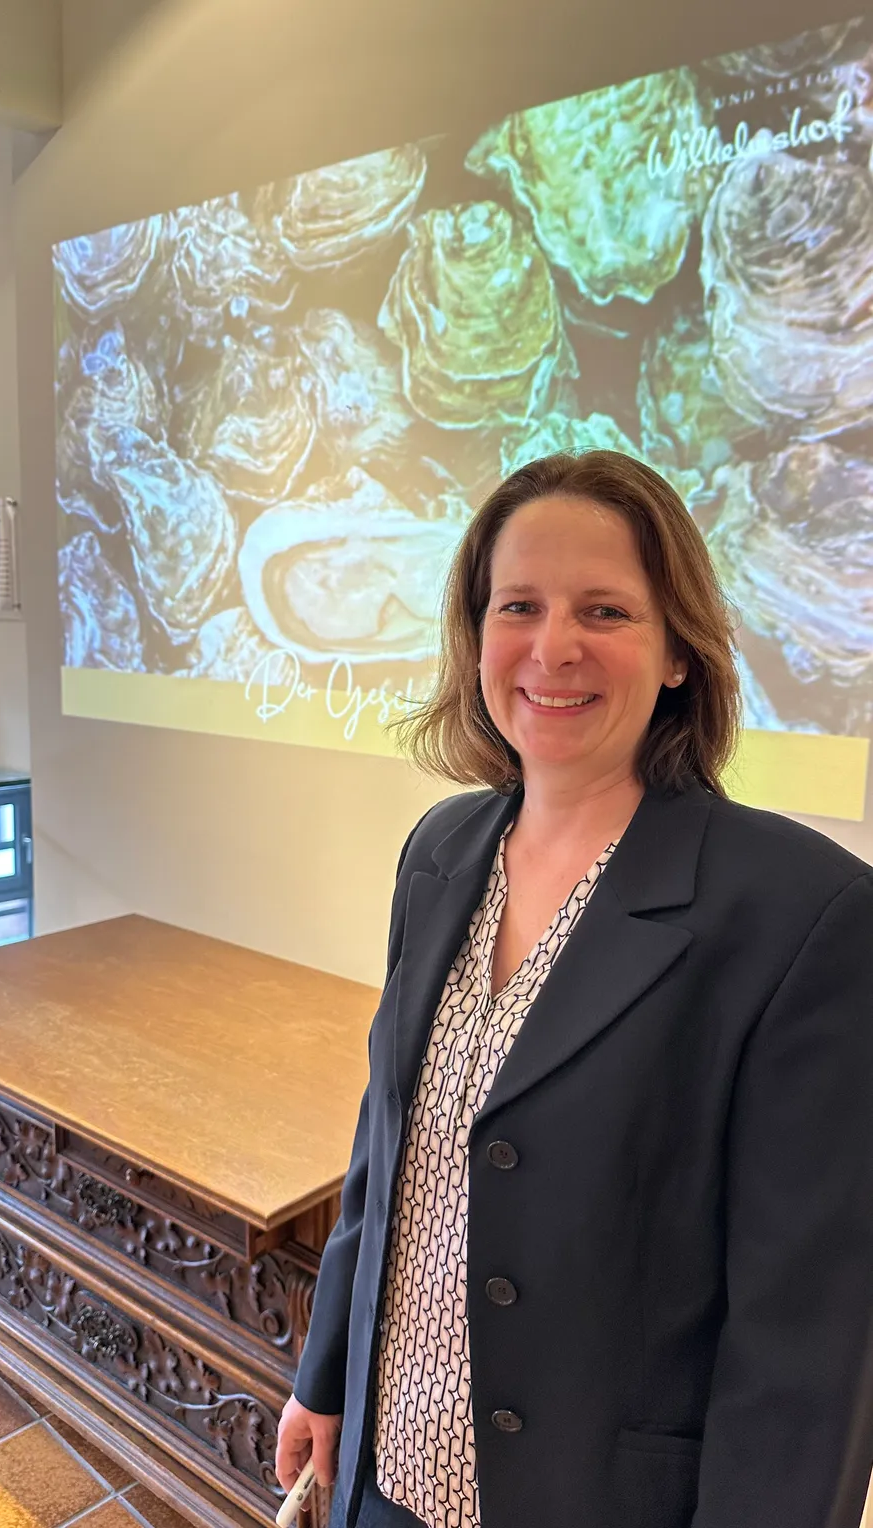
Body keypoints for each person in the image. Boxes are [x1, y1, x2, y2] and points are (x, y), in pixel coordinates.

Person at [276, 451, 873, 1528]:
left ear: (679, 651)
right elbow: (387, 1146)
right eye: (520, 605)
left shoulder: (801, 915)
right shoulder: (440, 849)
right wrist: (327, 1376)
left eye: (605, 609)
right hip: (389, 1476)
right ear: (476, 634)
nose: (554, 646)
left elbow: (806, 1335)